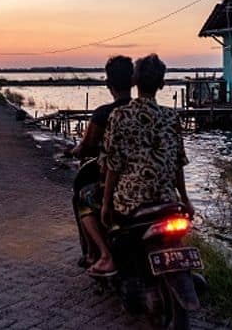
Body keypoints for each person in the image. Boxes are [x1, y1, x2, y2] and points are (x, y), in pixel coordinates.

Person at [88, 53, 194, 277]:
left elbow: (112, 166)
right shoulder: (171, 117)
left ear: (134, 82)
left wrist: (106, 204)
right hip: (167, 198)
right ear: (162, 84)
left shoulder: (121, 115)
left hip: (131, 200)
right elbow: (178, 163)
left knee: (91, 202)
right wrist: (184, 199)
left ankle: (108, 258)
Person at [68, 56, 133, 270]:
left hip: (115, 185)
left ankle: (98, 254)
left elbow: (87, 146)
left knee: (83, 199)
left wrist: (73, 150)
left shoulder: (107, 114)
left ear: (108, 84)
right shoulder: (147, 113)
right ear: (133, 81)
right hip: (146, 182)